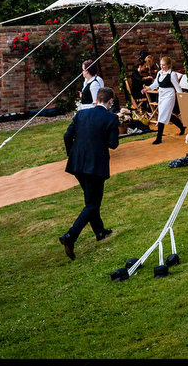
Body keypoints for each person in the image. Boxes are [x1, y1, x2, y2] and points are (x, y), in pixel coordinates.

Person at [58, 86, 120, 259]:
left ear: (97, 99)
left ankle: (99, 231)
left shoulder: (81, 114)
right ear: (109, 101)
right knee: (92, 204)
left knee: (90, 199)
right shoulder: (111, 118)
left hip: (77, 164)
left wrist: (71, 154)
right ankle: (70, 236)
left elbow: (66, 136)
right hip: (95, 166)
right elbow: (113, 144)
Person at [148, 56, 187, 144]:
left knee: (162, 115)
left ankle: (159, 138)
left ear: (169, 65)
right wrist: (147, 89)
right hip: (161, 95)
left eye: (164, 65)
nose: (162, 67)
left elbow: (177, 87)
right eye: (161, 65)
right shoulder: (159, 73)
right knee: (167, 114)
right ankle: (181, 127)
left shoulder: (172, 74)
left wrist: (182, 97)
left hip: (169, 95)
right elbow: (155, 83)